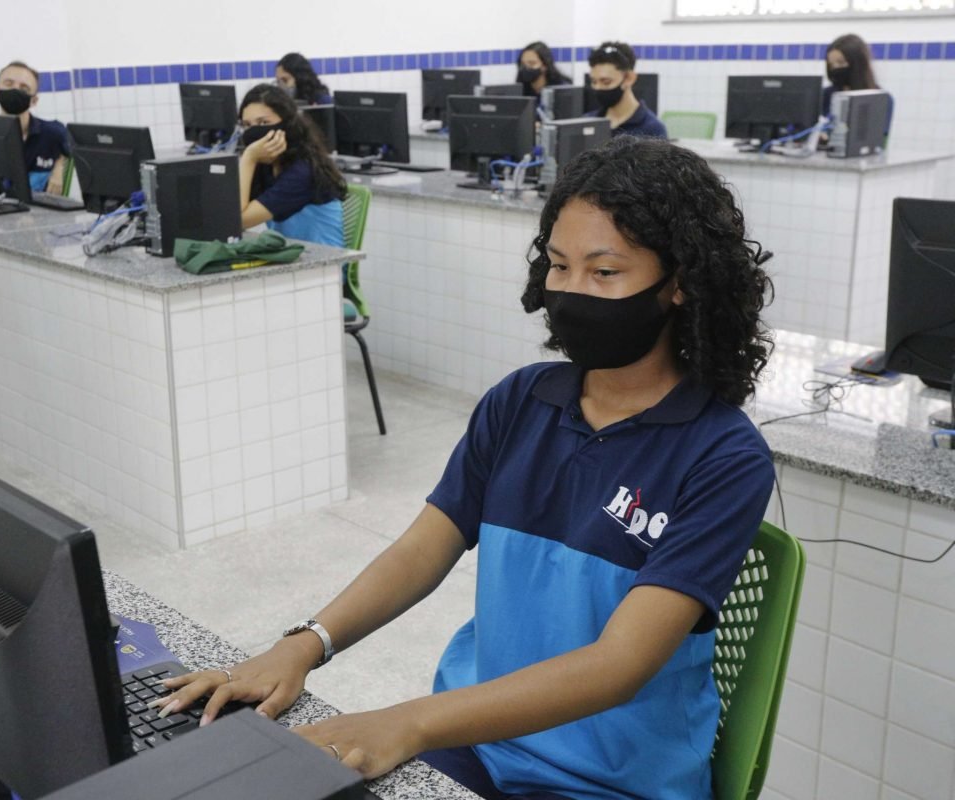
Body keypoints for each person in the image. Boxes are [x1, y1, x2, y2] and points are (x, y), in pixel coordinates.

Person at [156, 136, 777, 799]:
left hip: (608, 782)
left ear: (680, 284)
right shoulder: (520, 402)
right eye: (559, 267)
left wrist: (410, 723)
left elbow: (618, 666)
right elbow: (422, 549)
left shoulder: (722, 455)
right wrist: (305, 644)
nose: (570, 291)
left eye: (604, 272)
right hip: (478, 744)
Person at [238, 84, 347, 248]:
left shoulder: (303, 171)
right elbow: (231, 215)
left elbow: (239, 221)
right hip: (288, 256)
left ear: (287, 125)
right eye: (247, 125)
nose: (253, 132)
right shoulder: (266, 164)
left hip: (325, 266)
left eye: (263, 123)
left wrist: (248, 158)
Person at [0, 61, 71, 195]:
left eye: (24, 88)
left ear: (34, 101)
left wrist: (59, 167)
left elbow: (79, 149)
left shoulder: (52, 134)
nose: (15, 90)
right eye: (9, 84)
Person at [586, 42, 666, 139]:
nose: (598, 87)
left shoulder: (652, 129)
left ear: (629, 78)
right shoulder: (587, 122)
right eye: (594, 82)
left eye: (606, 82)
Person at [823, 33, 892, 137]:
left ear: (857, 64)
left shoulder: (881, 99)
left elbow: (881, 138)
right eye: (831, 65)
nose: (835, 68)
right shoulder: (825, 95)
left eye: (841, 63)